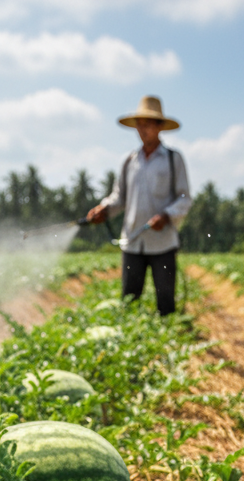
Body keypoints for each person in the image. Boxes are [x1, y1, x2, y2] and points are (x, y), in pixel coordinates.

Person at [87, 95, 192, 316]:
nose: (142, 130)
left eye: (148, 124)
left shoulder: (173, 159)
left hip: (163, 244)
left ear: (160, 127)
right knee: (129, 300)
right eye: (139, 125)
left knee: (166, 303)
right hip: (132, 242)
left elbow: (184, 198)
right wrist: (104, 210)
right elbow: (119, 198)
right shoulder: (129, 161)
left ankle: (167, 343)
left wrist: (166, 215)